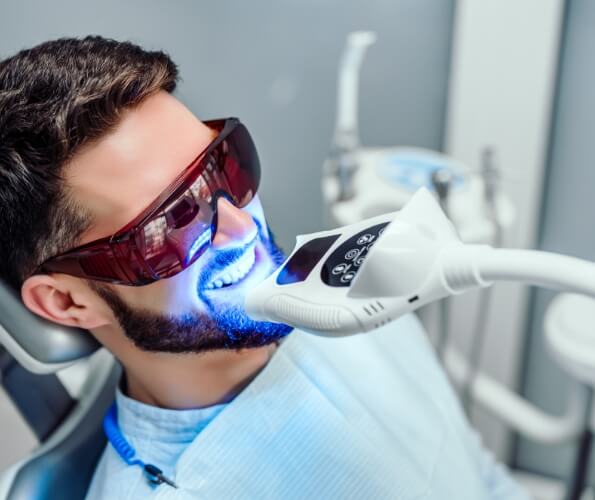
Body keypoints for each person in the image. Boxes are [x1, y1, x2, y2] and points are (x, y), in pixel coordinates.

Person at [0, 36, 529, 499]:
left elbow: (477, 474)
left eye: (225, 166)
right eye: (172, 221)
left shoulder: (358, 288)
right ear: (68, 301)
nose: (241, 228)